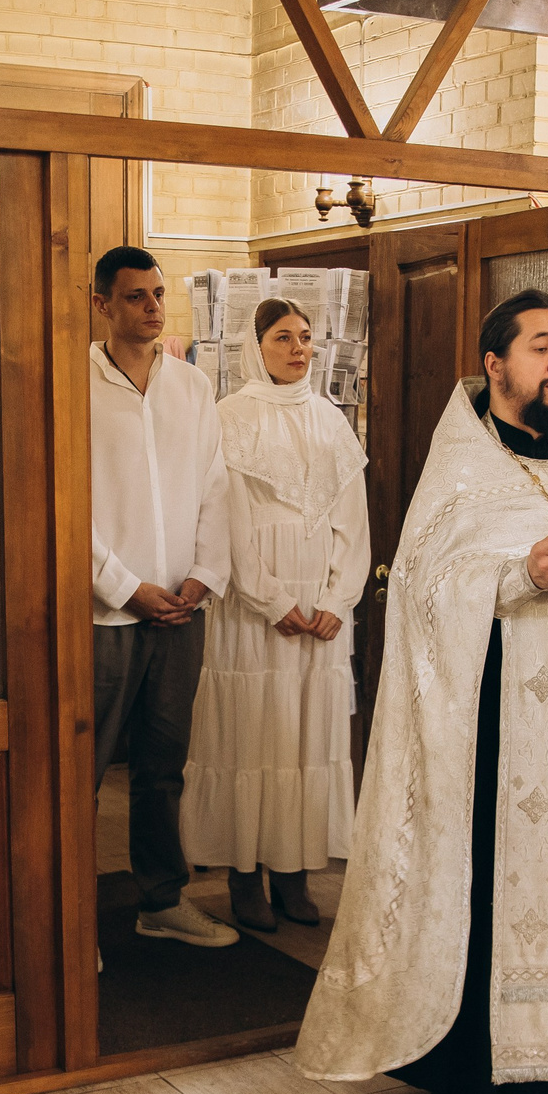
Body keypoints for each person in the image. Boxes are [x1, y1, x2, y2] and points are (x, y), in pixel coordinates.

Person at [295, 290, 548, 1094]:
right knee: (486, 886)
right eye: (540, 346)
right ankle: (462, 1073)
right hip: (494, 719)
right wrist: (521, 577)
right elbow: (425, 587)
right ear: (496, 366)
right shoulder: (462, 464)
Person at [181, 297, 369, 932]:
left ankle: (293, 873)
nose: (298, 348)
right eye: (283, 337)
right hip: (254, 610)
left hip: (320, 611)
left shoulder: (331, 421)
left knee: (303, 741)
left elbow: (354, 522)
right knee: (252, 737)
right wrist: (272, 600)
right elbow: (225, 521)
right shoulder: (228, 418)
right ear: (255, 348)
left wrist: (338, 600)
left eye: (306, 337)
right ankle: (244, 876)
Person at [88, 245, 236, 948]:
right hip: (104, 612)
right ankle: (63, 925)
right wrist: (124, 586)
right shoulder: (75, 384)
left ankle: (161, 900)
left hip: (181, 609)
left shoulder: (191, 387)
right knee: (78, 770)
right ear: (103, 305)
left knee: (161, 767)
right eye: (136, 296)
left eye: (157, 294)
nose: (152, 307)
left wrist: (203, 576)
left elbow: (215, 485)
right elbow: (62, 502)